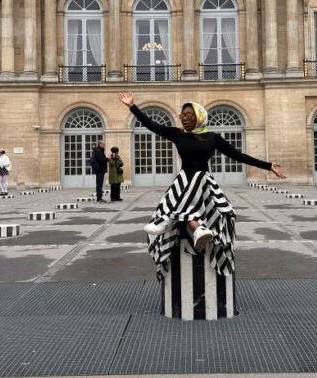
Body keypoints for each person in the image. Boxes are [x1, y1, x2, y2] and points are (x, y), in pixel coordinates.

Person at [117, 91, 286, 282]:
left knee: (200, 192)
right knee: (179, 193)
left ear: (199, 117)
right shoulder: (178, 134)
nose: (184, 118)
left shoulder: (212, 138)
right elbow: (152, 125)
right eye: (182, 115)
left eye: (189, 115)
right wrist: (132, 106)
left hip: (204, 183)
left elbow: (238, 155)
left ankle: (172, 220)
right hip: (183, 182)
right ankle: (193, 226)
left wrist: (268, 166)